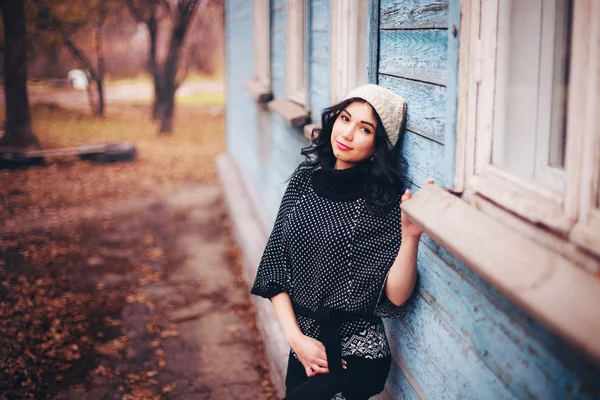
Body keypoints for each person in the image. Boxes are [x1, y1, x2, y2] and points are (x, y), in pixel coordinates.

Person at [250, 84, 433, 399]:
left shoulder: (382, 200)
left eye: (364, 129)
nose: (347, 133)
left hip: (358, 355)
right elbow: (275, 266)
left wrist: (411, 236)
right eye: (345, 119)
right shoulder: (303, 180)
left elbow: (396, 296)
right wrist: (295, 340)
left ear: (377, 146)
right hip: (306, 349)